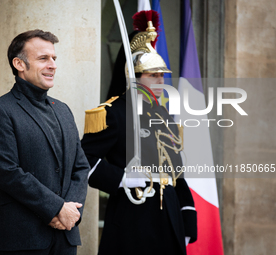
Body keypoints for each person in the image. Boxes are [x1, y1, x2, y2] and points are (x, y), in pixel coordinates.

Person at [81, 11, 197, 255]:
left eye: (161, 75)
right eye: (152, 75)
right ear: (134, 77)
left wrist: (187, 217)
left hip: (170, 218)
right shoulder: (113, 113)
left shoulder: (164, 116)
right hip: (132, 216)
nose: (159, 81)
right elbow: (82, 161)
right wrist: (121, 178)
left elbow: (177, 172)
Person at [0, 29, 90, 255]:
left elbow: (81, 168)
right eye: (43, 58)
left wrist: (70, 212)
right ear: (19, 64)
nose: (53, 65)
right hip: (22, 239)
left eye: (54, 58)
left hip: (65, 237)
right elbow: (8, 173)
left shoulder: (63, 110)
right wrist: (57, 208)